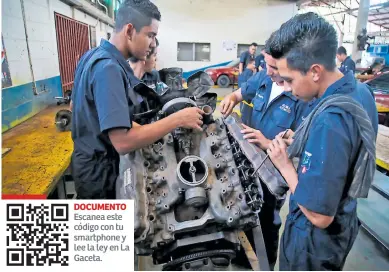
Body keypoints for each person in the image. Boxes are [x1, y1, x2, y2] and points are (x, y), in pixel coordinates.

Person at [266, 12, 378, 270]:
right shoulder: (359, 92)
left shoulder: (330, 120)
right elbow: (346, 150)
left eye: (290, 79)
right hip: (344, 223)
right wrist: (308, 141)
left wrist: (284, 165)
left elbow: (319, 216)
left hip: (313, 244)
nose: (287, 88)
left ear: (315, 71)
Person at [71, 0, 204, 199]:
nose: (152, 44)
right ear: (130, 30)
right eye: (150, 35)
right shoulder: (109, 69)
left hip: (87, 166)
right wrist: (179, 119)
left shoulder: (91, 56)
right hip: (102, 177)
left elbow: (76, 106)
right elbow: (123, 142)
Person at [219, 33, 310, 270]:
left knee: (266, 220)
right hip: (247, 162)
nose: (267, 70)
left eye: (272, 66)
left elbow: (299, 149)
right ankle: (240, 259)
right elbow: (242, 92)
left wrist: (266, 142)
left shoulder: (302, 95)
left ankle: (265, 263)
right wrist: (232, 97)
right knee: (242, 210)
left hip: (273, 175)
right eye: (264, 63)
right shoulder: (264, 78)